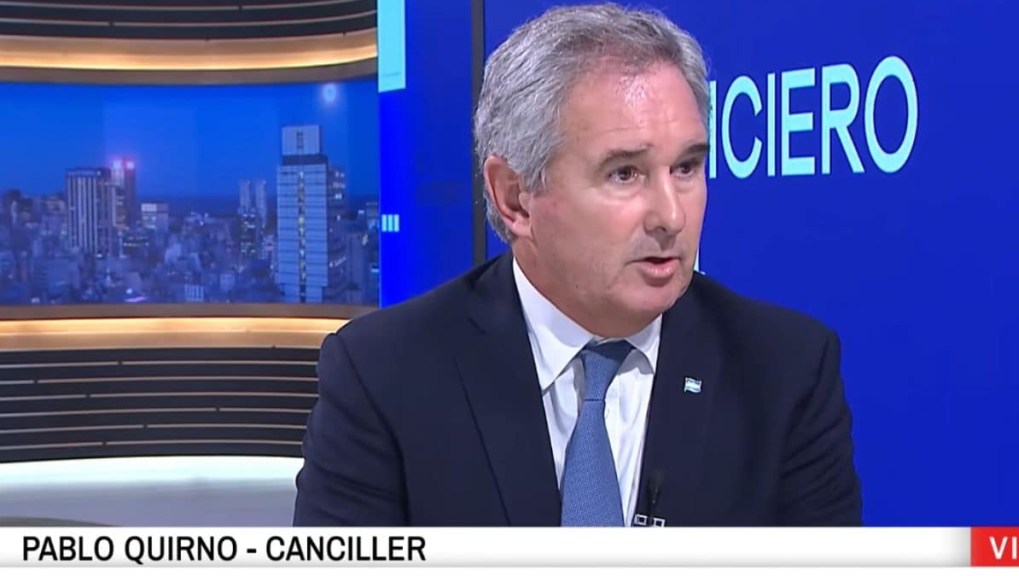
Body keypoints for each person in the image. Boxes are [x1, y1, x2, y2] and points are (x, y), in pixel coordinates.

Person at [293, 3, 861, 526]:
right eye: (625, 174)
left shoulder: (784, 373)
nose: (671, 216)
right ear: (515, 197)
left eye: (686, 168)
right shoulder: (385, 375)